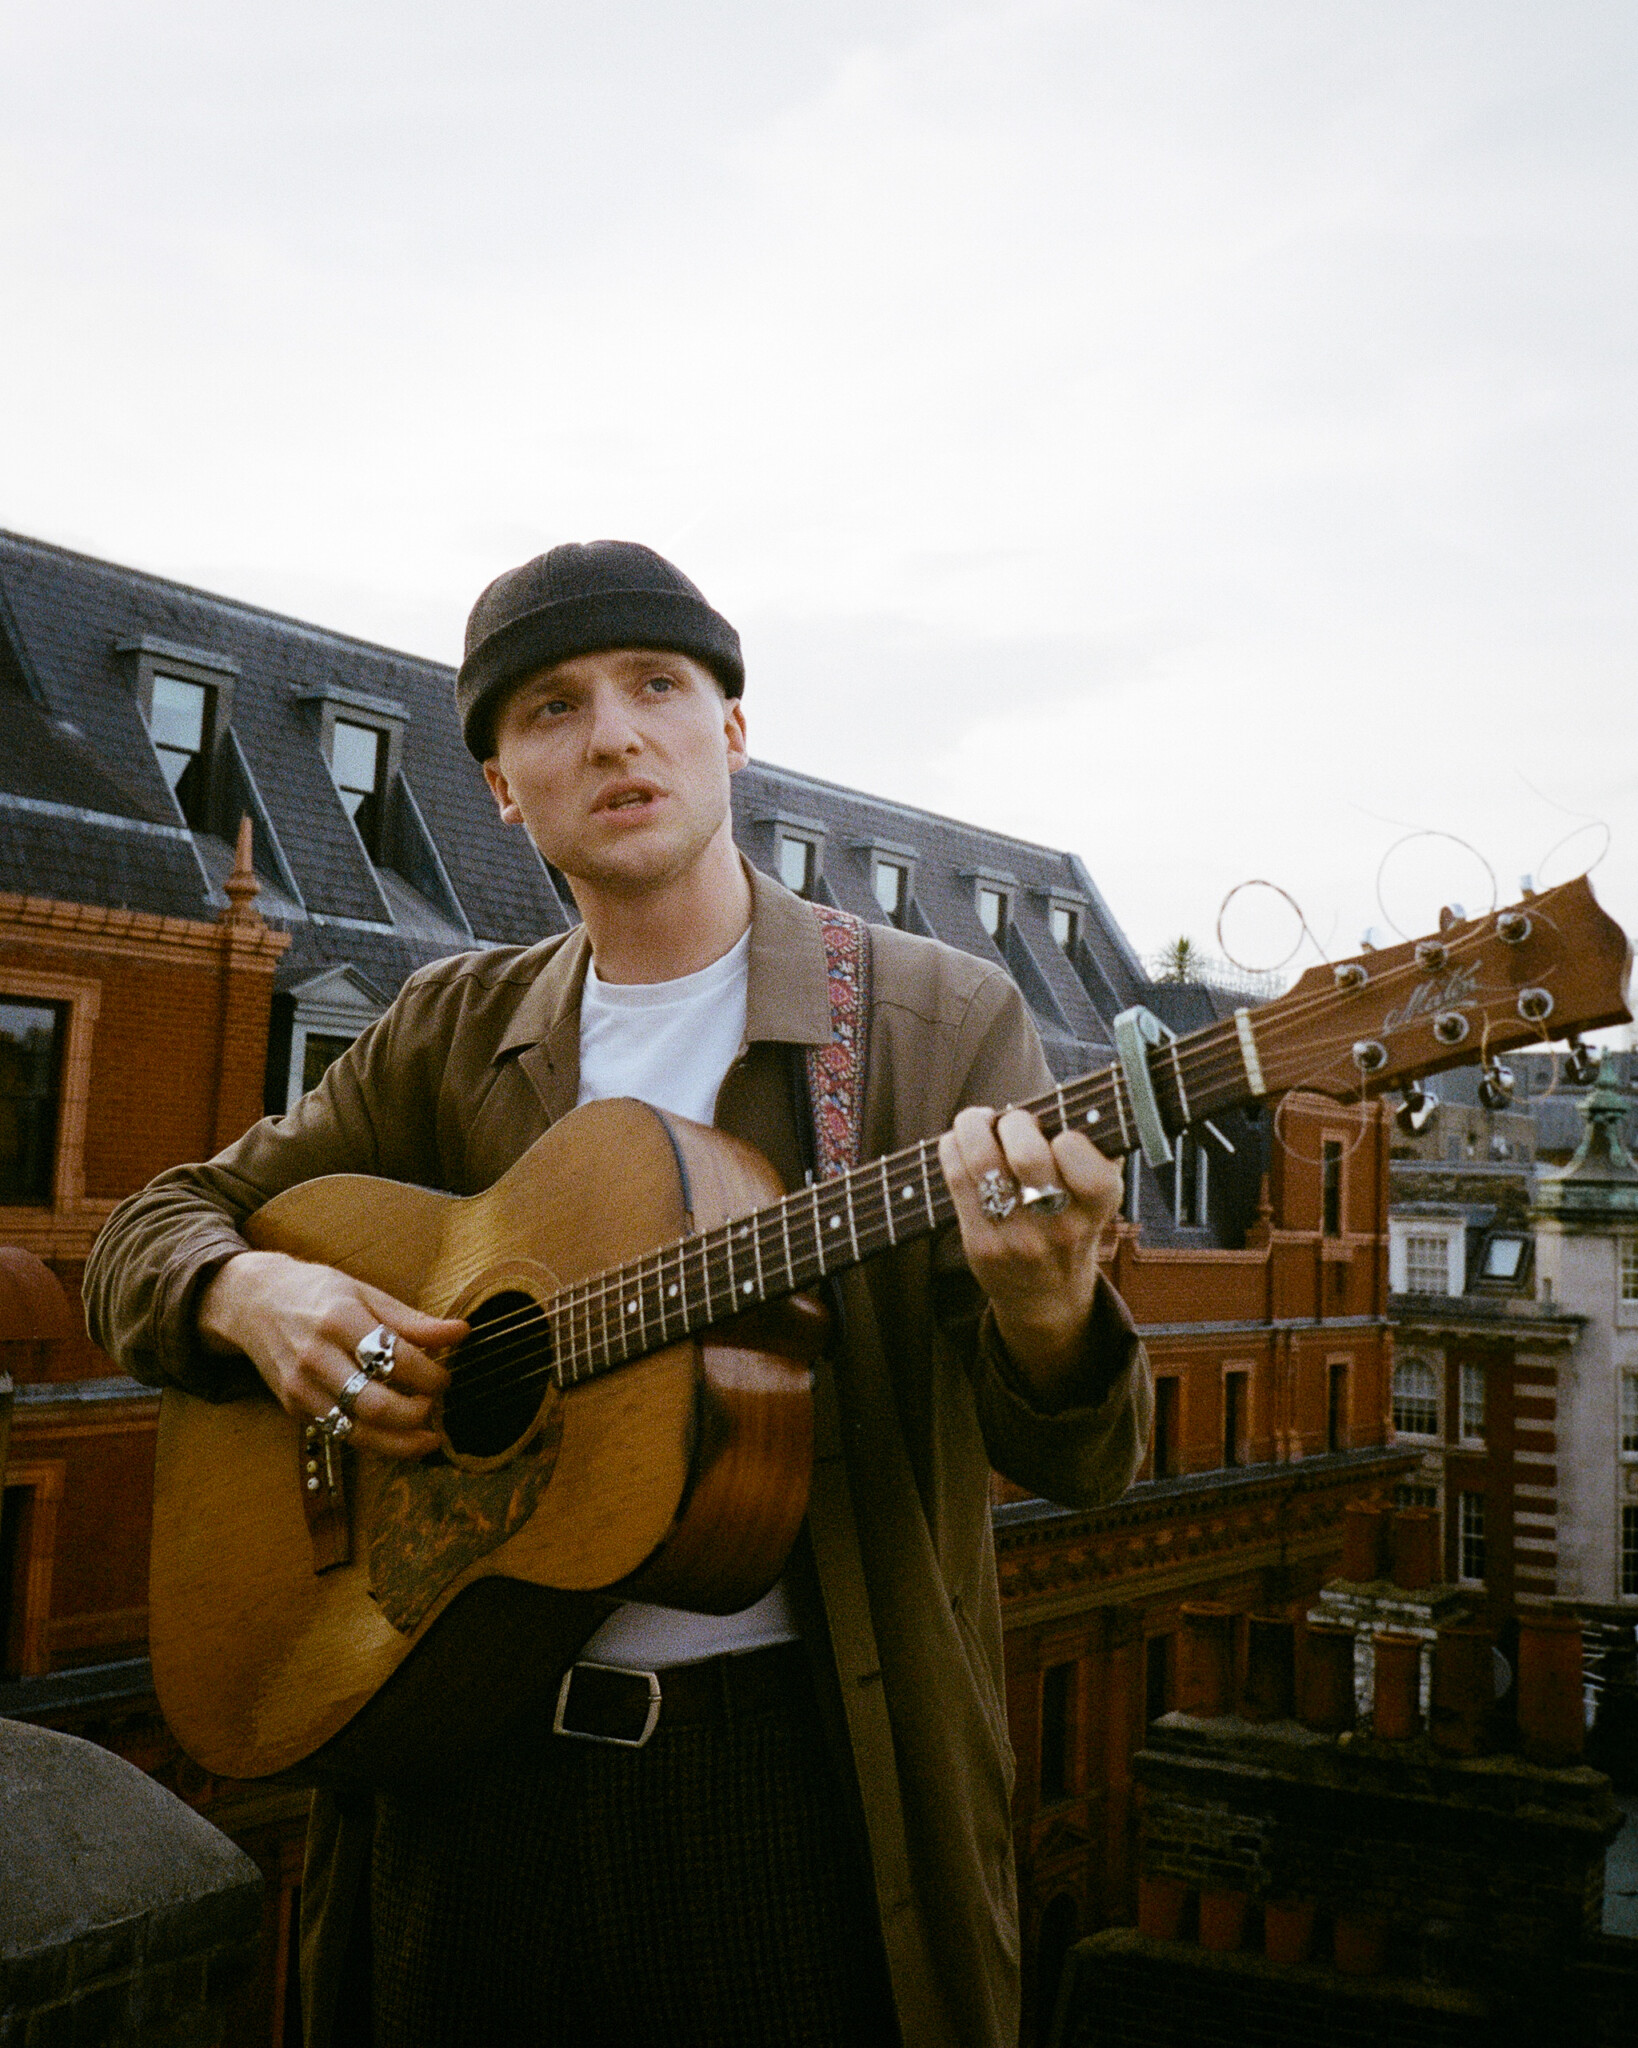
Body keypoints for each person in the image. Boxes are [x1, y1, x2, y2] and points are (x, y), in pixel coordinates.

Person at [85, 542, 1152, 2048]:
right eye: (553, 708)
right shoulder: (450, 1026)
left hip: (783, 1794)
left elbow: (1090, 1461)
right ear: (500, 788)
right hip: (454, 1783)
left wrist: (1046, 1309)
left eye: (657, 687)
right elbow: (149, 1229)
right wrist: (252, 1295)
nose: (612, 735)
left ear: (731, 730)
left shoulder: (931, 1020)